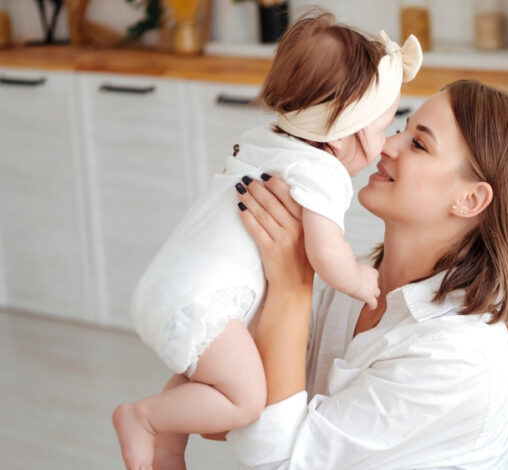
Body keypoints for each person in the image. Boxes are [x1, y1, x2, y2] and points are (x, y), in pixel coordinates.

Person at [112, 13, 423, 470]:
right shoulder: (322, 171)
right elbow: (324, 252)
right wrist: (358, 279)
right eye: (381, 131)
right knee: (245, 401)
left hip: (168, 288)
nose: (386, 145)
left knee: (216, 385)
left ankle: (167, 446)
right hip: (202, 304)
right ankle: (144, 420)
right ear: (341, 137)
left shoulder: (264, 138)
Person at [227, 79, 508, 469]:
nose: (385, 145)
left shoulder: (456, 352)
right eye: (401, 129)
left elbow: (275, 461)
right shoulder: (355, 283)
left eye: (419, 144)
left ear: (470, 199)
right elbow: (232, 405)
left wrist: (291, 284)